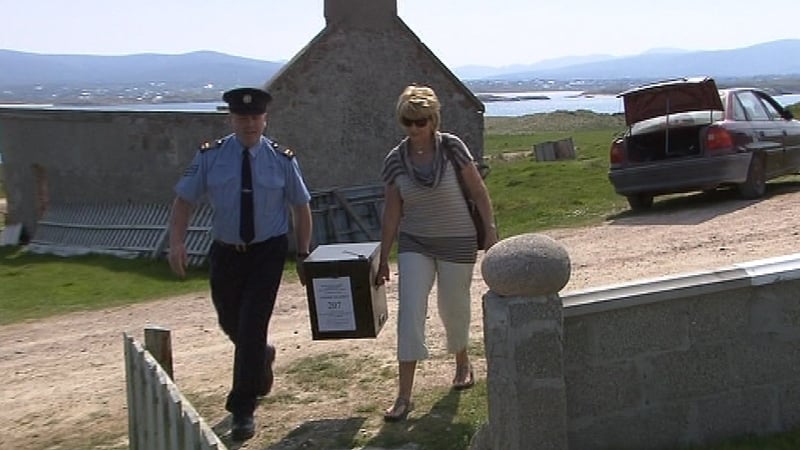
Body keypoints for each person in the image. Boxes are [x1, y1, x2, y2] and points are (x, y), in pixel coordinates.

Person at [167, 87, 312, 441]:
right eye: (242, 118)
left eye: (255, 117)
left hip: (268, 253)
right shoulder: (210, 157)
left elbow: (301, 207)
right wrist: (176, 242)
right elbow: (183, 201)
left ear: (265, 119)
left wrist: (303, 252)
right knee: (230, 321)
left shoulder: (282, 159)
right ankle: (261, 356)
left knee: (251, 325)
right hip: (226, 252)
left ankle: (242, 409)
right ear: (231, 119)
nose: (249, 123)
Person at [375, 84, 498, 422]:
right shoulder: (394, 160)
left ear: (433, 120)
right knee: (410, 311)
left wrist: (490, 229)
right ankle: (403, 395)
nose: (415, 129)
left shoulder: (452, 148)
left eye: (421, 122)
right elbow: (391, 212)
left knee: (453, 307)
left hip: (457, 239)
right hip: (416, 242)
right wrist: (383, 256)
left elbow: (478, 189)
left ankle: (462, 361)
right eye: (408, 122)